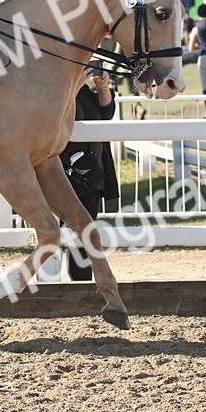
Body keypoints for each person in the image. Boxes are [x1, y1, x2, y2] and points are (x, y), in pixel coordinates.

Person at [50, 67, 120, 281]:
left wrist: (102, 87)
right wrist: (76, 83)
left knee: (85, 234)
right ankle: (50, 280)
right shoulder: (55, 91)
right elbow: (58, 115)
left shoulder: (87, 93)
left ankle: (81, 283)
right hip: (62, 174)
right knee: (56, 232)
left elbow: (107, 113)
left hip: (91, 175)